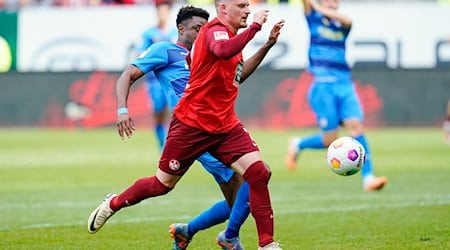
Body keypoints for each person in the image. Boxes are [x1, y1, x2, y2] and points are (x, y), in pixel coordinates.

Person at [87, 1, 285, 249]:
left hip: (222, 125)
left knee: (254, 179)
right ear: (181, 29)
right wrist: (122, 109)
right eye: (195, 28)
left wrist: (266, 45)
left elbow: (238, 74)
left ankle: (249, 240)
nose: (201, 32)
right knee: (164, 185)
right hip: (191, 128)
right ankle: (115, 203)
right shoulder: (174, 48)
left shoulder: (217, 50)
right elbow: (128, 73)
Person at [285, 0, 387, 192]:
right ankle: (299, 144)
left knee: (356, 127)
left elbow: (348, 20)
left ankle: (368, 179)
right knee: (330, 140)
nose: (333, 1)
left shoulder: (342, 23)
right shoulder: (313, 19)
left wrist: (320, 8)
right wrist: (315, 7)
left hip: (344, 84)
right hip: (322, 85)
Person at [132, 0, 178, 150]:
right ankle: (162, 146)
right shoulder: (149, 33)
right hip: (154, 81)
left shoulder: (175, 33)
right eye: (160, 10)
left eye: (165, 10)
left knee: (178, 113)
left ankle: (176, 145)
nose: (162, 14)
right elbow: (139, 54)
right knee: (159, 112)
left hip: (173, 80)